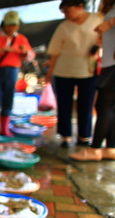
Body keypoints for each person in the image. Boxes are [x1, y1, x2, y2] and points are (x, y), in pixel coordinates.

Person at [45, 0, 104, 147]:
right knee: (64, 103)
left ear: (80, 6)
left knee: (86, 104)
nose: (66, 14)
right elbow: (54, 53)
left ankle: (84, 136)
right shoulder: (63, 27)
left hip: (88, 70)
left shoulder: (98, 19)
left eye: (68, 11)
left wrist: (98, 45)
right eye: (63, 12)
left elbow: (106, 38)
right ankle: (65, 136)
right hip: (64, 70)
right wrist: (49, 73)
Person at [69, 0, 115, 161]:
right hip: (109, 62)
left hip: (112, 65)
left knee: (103, 107)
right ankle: (110, 147)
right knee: (111, 109)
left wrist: (109, 24)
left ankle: (94, 149)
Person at [0, 10, 35, 136]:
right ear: (3, 24)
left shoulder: (21, 39)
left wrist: (25, 52)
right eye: (9, 25)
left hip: (12, 72)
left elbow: (30, 56)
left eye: (14, 25)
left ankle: (5, 129)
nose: (11, 28)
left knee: (8, 100)